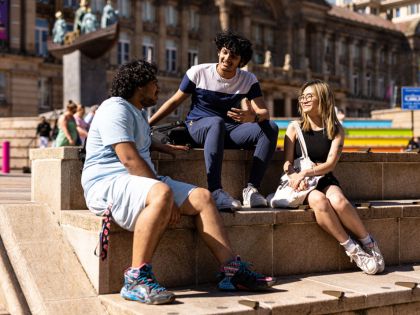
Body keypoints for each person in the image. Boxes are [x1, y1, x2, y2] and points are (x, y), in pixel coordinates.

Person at [81, 60, 276, 305]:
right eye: (154, 83)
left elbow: (138, 140)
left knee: (203, 198)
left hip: (137, 182)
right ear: (139, 86)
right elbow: (129, 158)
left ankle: (231, 270)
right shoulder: (114, 108)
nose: (158, 89)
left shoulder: (138, 112)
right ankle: (135, 279)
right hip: (107, 183)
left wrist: (160, 145)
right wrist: (166, 196)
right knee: (162, 192)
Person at [149, 30, 279, 211]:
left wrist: (254, 117)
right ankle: (216, 191)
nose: (227, 59)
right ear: (219, 51)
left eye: (233, 56)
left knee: (270, 127)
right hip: (197, 127)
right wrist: (148, 123)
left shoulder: (248, 79)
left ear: (240, 62)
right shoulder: (198, 72)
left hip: (228, 131)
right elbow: (173, 101)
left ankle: (251, 189)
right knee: (216, 122)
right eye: (224, 52)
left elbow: (264, 112)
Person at [282, 79, 384, 275]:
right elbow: (287, 162)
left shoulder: (335, 130)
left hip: (324, 178)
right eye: (302, 97)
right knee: (319, 202)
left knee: (339, 201)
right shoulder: (294, 127)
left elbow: (330, 164)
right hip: (302, 184)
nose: (304, 100)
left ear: (322, 98)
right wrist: (294, 175)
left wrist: (306, 172)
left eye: (309, 96)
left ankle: (368, 242)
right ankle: (353, 250)